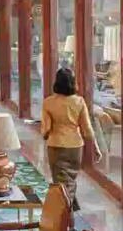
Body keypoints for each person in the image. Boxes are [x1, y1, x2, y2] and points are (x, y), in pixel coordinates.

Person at [39, 66, 102, 205]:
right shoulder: (79, 102)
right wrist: (96, 147)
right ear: (73, 82)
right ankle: (69, 210)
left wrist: (45, 135)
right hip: (75, 147)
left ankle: (66, 212)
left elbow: (46, 129)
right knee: (70, 181)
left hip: (56, 146)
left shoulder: (48, 102)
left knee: (60, 184)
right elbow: (87, 128)